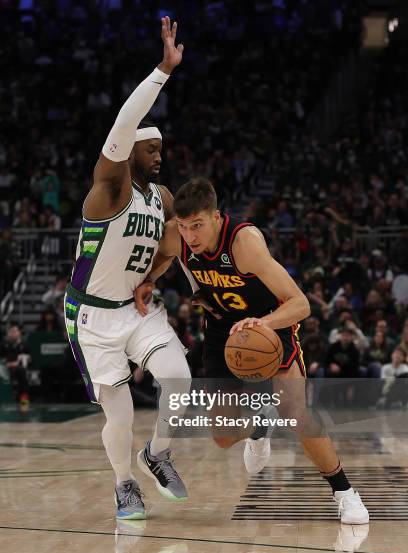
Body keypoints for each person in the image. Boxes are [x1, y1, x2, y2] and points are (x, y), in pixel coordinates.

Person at [135, 177, 369, 524]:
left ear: (216, 217)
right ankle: (260, 427)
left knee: (295, 410)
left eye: (197, 225)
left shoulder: (244, 242)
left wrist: (262, 325)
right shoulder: (177, 235)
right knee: (224, 435)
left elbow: (300, 304)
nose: (190, 236)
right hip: (220, 331)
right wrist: (151, 279)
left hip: (270, 323)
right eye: (184, 227)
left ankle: (344, 492)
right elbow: (166, 256)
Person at [64, 17, 191, 521]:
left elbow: (170, 249)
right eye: (150, 148)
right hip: (92, 316)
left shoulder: (160, 197)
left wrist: (154, 281)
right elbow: (122, 122)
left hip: (136, 308)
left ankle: (157, 454)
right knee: (119, 412)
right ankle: (124, 484)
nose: (159, 155)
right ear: (129, 152)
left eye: (161, 148)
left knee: (178, 379)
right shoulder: (108, 187)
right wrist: (163, 69)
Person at [0, 325, 30, 409]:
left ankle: (24, 398)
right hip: (4, 367)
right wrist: (6, 363)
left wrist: (16, 363)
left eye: (15, 331)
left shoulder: (24, 344)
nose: (13, 333)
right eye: (11, 331)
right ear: (8, 334)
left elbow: (28, 358)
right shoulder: (4, 344)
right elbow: (2, 357)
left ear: (19, 333)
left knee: (21, 371)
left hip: (19, 367)